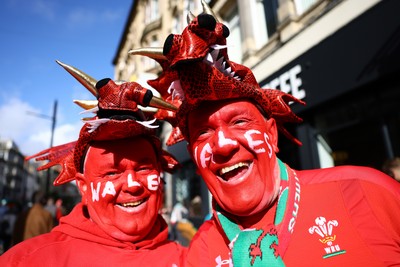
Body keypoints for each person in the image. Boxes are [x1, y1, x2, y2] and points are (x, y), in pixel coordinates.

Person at [129, 5, 400, 266]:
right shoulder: (197, 253)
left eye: (239, 121)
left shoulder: (368, 193)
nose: (222, 145)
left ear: (271, 134)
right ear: (193, 159)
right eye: (203, 132)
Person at [0, 61, 187, 266]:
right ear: (84, 187)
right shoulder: (26, 261)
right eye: (112, 173)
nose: (132, 184)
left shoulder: (192, 258)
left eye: (143, 168)